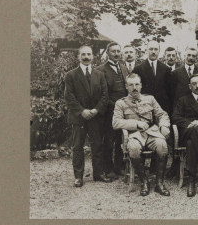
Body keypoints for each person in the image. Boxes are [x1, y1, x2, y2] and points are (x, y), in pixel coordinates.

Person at [113, 73, 171, 196]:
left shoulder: (150, 99)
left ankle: (159, 183)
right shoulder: (121, 103)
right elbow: (116, 122)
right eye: (131, 85)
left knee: (162, 145)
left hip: (152, 132)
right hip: (134, 135)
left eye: (137, 84)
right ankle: (144, 182)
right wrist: (136, 124)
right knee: (133, 149)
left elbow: (162, 114)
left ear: (141, 85)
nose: (134, 87)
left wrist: (164, 125)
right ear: (126, 87)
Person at [63, 45, 112, 187]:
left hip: (96, 117)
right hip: (79, 117)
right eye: (83, 54)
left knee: (97, 145)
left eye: (89, 54)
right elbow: (69, 96)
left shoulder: (100, 75)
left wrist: (96, 110)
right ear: (78, 56)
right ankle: (78, 177)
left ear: (93, 56)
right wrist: (82, 111)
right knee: (77, 147)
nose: (86, 57)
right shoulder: (71, 75)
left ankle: (98, 173)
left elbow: (105, 95)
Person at [95, 42, 128, 179]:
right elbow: (101, 93)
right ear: (108, 53)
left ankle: (119, 166)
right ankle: (107, 168)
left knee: (122, 139)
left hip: (124, 110)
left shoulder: (124, 68)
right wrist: (113, 106)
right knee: (109, 140)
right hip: (109, 111)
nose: (116, 54)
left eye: (118, 51)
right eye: (113, 51)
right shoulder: (100, 70)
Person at [133, 40, 173, 113]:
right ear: (146, 51)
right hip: (145, 108)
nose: (153, 52)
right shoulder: (138, 69)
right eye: (151, 49)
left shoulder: (166, 69)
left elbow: (170, 91)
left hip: (162, 108)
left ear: (159, 51)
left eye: (156, 49)